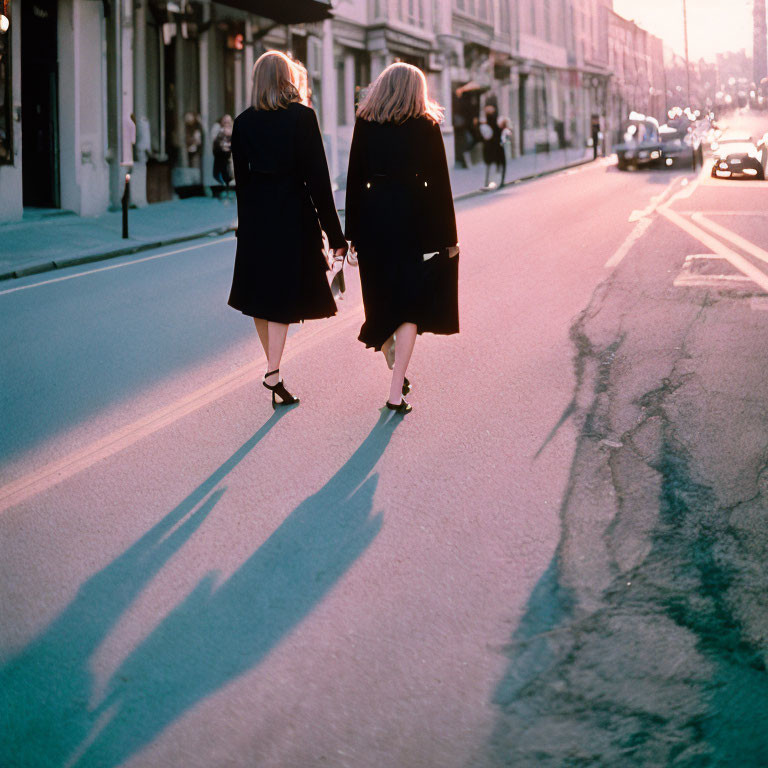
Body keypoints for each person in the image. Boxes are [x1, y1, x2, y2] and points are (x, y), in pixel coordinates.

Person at [228, 51, 347, 408]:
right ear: (288, 79)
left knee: (261, 298)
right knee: (279, 297)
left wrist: (244, 226)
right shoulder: (302, 117)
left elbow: (242, 182)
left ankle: (274, 372)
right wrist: (336, 235)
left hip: (255, 219)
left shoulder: (243, 122)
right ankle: (273, 371)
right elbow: (318, 181)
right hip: (292, 215)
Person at [345, 62, 459, 415]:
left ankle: (390, 355)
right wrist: (448, 237)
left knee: (378, 301)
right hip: (414, 216)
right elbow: (440, 183)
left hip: (373, 214)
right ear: (416, 90)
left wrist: (350, 234)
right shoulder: (426, 124)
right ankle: (396, 392)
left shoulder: (365, 123)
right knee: (409, 304)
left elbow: (353, 177)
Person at [480, 102, 506, 189]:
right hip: (492, 145)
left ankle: (497, 181)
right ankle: (493, 182)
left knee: (497, 163)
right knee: (494, 163)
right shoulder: (489, 120)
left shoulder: (493, 120)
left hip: (495, 145)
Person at [212, 114, 234, 198]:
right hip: (220, 156)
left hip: (229, 157)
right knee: (217, 174)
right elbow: (216, 143)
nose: (227, 123)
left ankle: (227, 190)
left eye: (228, 121)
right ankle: (222, 188)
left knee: (228, 174)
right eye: (225, 121)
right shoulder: (219, 132)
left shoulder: (234, 131)